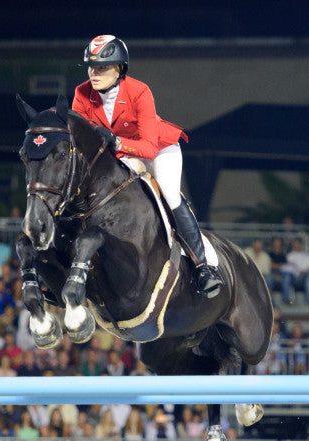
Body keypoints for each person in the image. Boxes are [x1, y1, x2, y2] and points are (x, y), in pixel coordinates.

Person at [72, 34, 223, 297]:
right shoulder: (82, 93)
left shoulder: (139, 91)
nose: (94, 73)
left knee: (169, 193)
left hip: (158, 149)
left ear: (119, 69)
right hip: (122, 154)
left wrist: (117, 141)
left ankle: (203, 267)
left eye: (102, 67)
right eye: (92, 67)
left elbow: (148, 147)